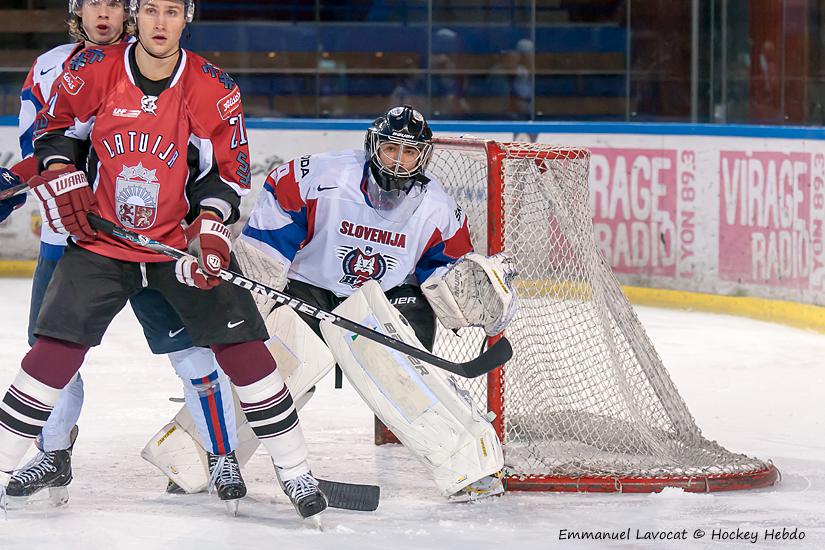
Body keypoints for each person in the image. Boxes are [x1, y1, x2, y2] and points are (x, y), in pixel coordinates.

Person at [0, 0, 326, 521]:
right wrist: (62, 168)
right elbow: (54, 132)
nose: (159, 22)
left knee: (240, 348)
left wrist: (211, 235)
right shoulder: (91, 69)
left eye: (171, 12)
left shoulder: (213, 87)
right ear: (138, 15)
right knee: (52, 350)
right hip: (102, 243)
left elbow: (226, 175)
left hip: (175, 246)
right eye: (149, 10)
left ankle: (295, 470)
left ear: (185, 18)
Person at [233, 105, 518, 501]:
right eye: (390, 149)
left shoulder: (437, 208)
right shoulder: (321, 176)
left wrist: (481, 295)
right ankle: (205, 454)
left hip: (387, 299)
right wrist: (252, 305)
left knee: (401, 376)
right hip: (309, 289)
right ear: (373, 146)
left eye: (409, 153)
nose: (399, 162)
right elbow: (267, 244)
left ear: (424, 156)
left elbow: (446, 275)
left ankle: (469, 468)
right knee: (278, 368)